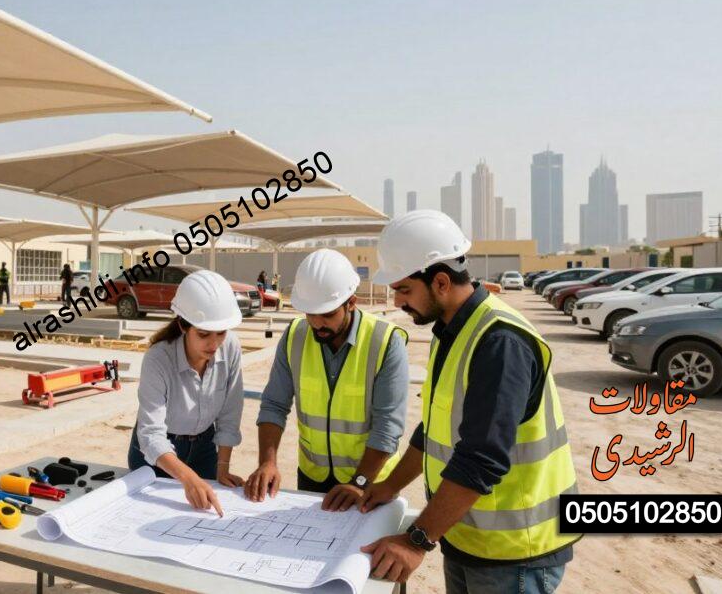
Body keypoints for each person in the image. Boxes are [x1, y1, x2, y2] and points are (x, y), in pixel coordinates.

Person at [357, 210, 579, 591]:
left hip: (515, 553)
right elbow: (436, 429)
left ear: (441, 282)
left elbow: (482, 458)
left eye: (404, 290)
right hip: (466, 538)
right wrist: (389, 485)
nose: (397, 302)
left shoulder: (499, 343)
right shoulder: (452, 331)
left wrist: (417, 540)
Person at [245, 248, 409, 512]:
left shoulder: (385, 342)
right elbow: (274, 405)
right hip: (313, 477)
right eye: (310, 313)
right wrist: (268, 462)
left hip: (372, 481)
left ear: (351, 302)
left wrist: (360, 482)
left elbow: (388, 426)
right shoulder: (295, 337)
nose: (317, 323)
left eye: (328, 314)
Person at [129, 270, 246, 517]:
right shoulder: (158, 359)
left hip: (204, 447)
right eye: (203, 334)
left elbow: (229, 414)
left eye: (221, 333)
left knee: (202, 517)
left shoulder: (231, 347)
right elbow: (150, 434)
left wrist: (222, 467)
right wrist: (187, 477)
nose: (214, 345)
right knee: (153, 517)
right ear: (183, 325)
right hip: (157, 454)